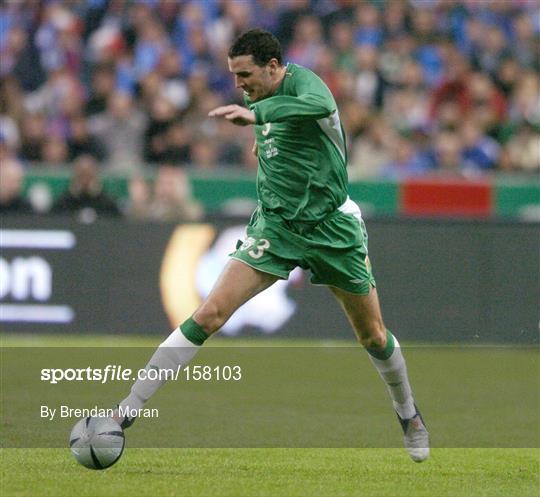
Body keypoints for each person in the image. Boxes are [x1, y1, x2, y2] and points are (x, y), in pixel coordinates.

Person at [114, 29, 429, 462]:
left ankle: (408, 413)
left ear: (274, 67)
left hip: (332, 228)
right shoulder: (255, 98)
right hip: (277, 227)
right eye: (235, 76)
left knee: (372, 334)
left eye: (246, 75)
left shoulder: (303, 84)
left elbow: (320, 106)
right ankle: (125, 412)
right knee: (209, 313)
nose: (240, 85)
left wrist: (259, 117)